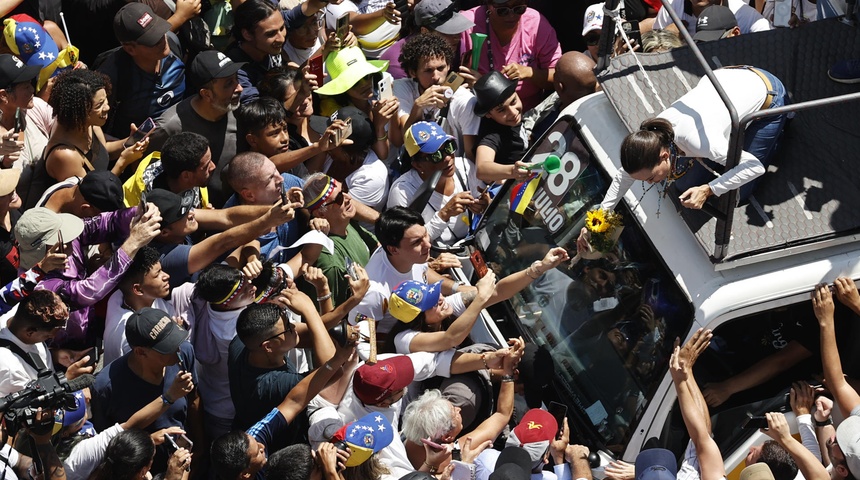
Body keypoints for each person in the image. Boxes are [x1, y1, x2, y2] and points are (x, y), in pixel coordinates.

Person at [595, 66, 788, 213]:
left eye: (651, 178)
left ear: (664, 155)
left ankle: (780, 130)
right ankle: (727, 148)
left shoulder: (698, 142)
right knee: (684, 186)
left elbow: (754, 167)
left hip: (767, 93)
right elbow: (624, 175)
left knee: (737, 194)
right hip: (725, 83)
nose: (651, 183)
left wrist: (708, 189)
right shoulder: (654, 136)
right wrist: (602, 215)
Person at [212, 341, 355, 480]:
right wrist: (330, 472)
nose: (262, 446)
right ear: (245, 474)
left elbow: (293, 402)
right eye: (258, 452)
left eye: (255, 442)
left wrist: (336, 361)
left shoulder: (254, 438)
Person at [90, 307, 200, 473]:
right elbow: (105, 446)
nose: (177, 350)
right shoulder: (105, 387)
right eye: (167, 347)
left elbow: (194, 400)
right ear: (140, 352)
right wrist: (148, 441)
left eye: (176, 340)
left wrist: (201, 449)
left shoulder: (184, 352)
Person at [21, 69, 148, 209]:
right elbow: (94, 198)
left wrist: (130, 142)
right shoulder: (64, 156)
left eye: (105, 100)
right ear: (80, 111)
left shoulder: (87, 122)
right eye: (99, 105)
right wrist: (123, 162)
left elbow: (105, 149)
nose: (107, 107)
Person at [145, 188, 298, 288]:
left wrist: (278, 206)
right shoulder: (165, 257)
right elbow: (222, 242)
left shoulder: (179, 223)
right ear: (165, 232)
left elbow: (227, 216)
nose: (191, 213)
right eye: (183, 214)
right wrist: (268, 220)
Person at [227, 297, 337, 434]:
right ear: (268, 346)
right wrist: (309, 311)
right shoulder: (274, 384)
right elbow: (334, 370)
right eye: (288, 328)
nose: (294, 327)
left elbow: (309, 335)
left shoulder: (242, 342)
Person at [148, 50, 244, 207]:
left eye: (236, 79)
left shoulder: (238, 111)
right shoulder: (170, 127)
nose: (239, 88)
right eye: (229, 84)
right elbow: (148, 175)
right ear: (206, 94)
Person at [387, 121, 486, 246]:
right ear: (418, 165)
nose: (448, 158)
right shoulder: (403, 191)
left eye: (449, 147)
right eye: (436, 155)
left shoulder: (465, 167)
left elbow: (485, 214)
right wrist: (444, 214)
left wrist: (485, 206)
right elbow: (406, 244)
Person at [96, 3, 186, 139]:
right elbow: (93, 129)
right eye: (152, 40)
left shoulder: (172, 44)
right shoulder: (111, 76)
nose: (162, 40)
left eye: (160, 31)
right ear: (130, 49)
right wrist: (130, 144)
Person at [459, 0, 562, 112]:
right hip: (480, 115)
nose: (512, 15)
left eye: (519, 8)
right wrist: (481, 87)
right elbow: (445, 72)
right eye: (503, 10)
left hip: (528, 115)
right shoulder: (465, 24)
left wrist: (530, 73)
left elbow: (558, 76)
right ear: (488, 5)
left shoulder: (536, 23)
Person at [226, 0, 331, 103]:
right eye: (271, 34)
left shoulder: (273, 22)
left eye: (282, 28)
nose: (281, 39)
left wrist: (327, 47)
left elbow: (310, 6)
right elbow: (257, 114)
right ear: (247, 34)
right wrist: (299, 93)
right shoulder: (237, 71)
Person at [303, 173, 380, 307]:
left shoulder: (346, 222)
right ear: (320, 213)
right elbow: (331, 317)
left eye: (344, 190)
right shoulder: (330, 264)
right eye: (339, 199)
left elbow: (377, 248)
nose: (349, 198)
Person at [315, 46, 400, 161]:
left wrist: (393, 112)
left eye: (367, 76)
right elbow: (382, 155)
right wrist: (378, 125)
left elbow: (397, 140)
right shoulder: (336, 111)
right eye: (355, 82)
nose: (365, 84)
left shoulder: (381, 89)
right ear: (341, 87)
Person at [0, 290, 89, 396]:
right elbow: (31, 406)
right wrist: (67, 379)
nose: (53, 337)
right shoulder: (9, 370)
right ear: (30, 332)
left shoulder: (25, 312)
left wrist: (55, 355)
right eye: (48, 336)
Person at [103, 246, 176, 365]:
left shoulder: (122, 296)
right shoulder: (128, 336)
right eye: (157, 275)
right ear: (138, 289)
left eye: (161, 270)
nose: (166, 276)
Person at [380, 0, 475, 79]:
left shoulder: (454, 44)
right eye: (448, 32)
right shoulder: (398, 65)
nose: (456, 37)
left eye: (457, 28)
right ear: (424, 31)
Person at [123, 131, 215, 209]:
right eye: (206, 166)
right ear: (186, 175)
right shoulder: (147, 209)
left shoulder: (189, 173)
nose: (213, 166)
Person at [522, 51, 598, 143]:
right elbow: (534, 114)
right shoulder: (558, 98)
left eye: (555, 74)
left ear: (560, 86)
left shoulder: (573, 129)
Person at [472, 71, 531, 183]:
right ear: (488, 114)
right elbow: (481, 169)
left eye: (513, 101)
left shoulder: (512, 120)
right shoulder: (493, 135)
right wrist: (513, 171)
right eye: (501, 110)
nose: (513, 112)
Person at [88, 428, 192, 480]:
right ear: (143, 471)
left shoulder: (102, 470)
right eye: (152, 457)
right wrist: (174, 476)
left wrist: (148, 440)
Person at [0, 53, 44, 170]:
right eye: (25, 86)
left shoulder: (37, 107)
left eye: (30, 83)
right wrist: (5, 163)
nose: (32, 89)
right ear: (4, 95)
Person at [37, 170, 126, 218]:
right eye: (98, 218)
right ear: (85, 208)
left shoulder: (75, 181)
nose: (99, 222)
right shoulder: (47, 226)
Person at [653, 0, 772, 35]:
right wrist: (667, 37)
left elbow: (770, 47)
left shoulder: (745, 16)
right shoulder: (671, 9)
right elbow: (655, 51)